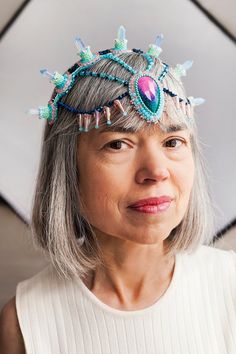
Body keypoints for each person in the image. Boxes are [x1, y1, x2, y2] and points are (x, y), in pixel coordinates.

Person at [0, 26, 235, 354]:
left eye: (173, 142)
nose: (156, 171)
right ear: (68, 169)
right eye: (118, 144)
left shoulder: (230, 287)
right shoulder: (24, 323)